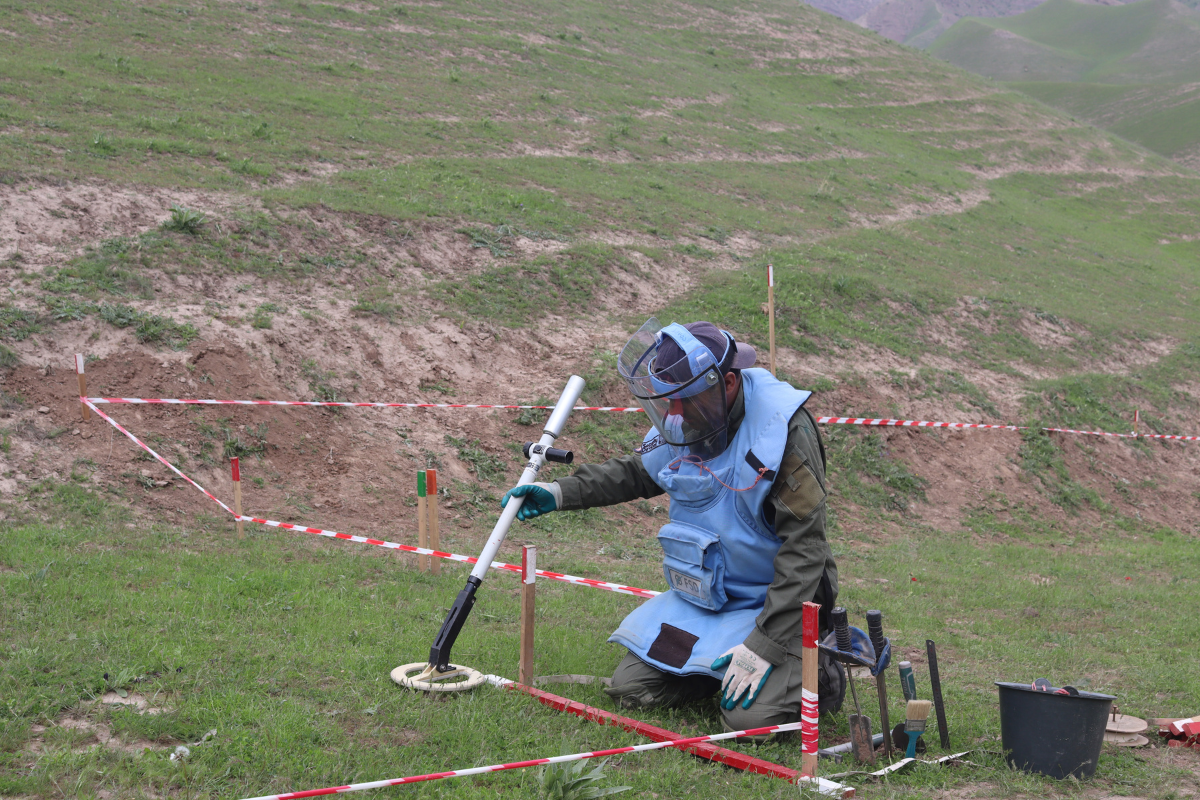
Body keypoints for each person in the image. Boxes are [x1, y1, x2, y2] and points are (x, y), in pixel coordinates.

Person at [502, 318, 843, 735]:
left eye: (684, 400)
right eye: (669, 402)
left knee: (748, 721)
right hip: (709, 601)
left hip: (773, 605)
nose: (674, 414)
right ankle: (714, 666)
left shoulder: (783, 431)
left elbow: (805, 550)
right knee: (634, 690)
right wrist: (559, 492)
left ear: (728, 382)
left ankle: (822, 672)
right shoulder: (691, 410)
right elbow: (638, 473)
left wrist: (765, 646)